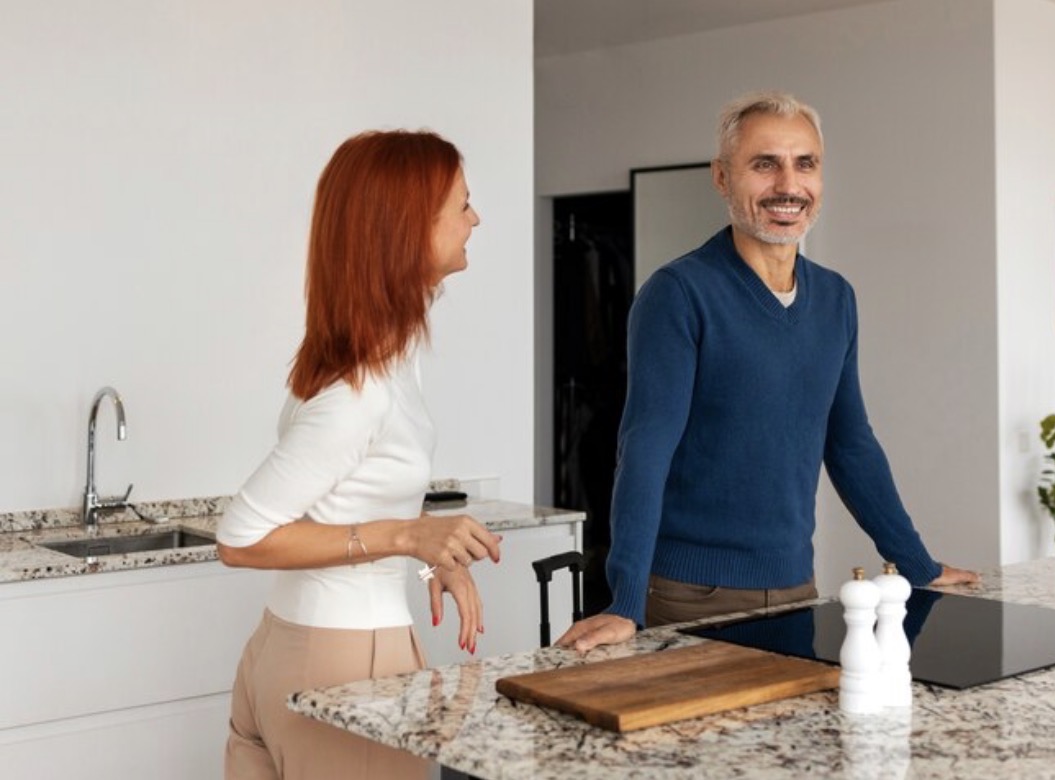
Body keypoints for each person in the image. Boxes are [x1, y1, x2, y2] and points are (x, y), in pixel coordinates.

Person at [556, 91, 979, 654]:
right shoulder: (678, 294)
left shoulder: (836, 299)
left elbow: (850, 444)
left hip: (795, 587)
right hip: (690, 595)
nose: (788, 184)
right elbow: (645, 452)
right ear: (722, 178)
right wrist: (626, 602)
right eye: (764, 164)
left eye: (805, 163)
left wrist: (916, 563)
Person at [216, 129, 502, 779]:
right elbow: (239, 538)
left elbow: (352, 498)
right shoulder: (361, 390)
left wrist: (428, 553)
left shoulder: (377, 358)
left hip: (288, 652)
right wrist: (408, 536)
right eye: (462, 204)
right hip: (348, 667)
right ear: (410, 230)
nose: (475, 219)